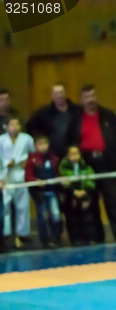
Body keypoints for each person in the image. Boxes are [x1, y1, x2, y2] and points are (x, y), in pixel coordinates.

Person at [66, 84, 116, 244]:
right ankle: (97, 238)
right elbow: (70, 141)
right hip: (87, 165)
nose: (90, 100)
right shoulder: (75, 118)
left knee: (114, 204)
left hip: (108, 164)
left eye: (92, 96)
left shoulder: (108, 115)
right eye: (87, 97)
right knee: (90, 204)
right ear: (82, 99)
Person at [0, 117, 35, 249]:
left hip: (21, 174)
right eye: (12, 124)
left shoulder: (27, 138)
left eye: (17, 123)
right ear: (7, 126)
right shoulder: (1, 140)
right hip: (5, 175)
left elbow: (33, 155)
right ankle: (6, 233)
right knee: (5, 206)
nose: (15, 126)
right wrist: (5, 164)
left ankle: (23, 233)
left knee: (23, 206)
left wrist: (27, 162)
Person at [25, 135, 62, 248]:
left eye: (45, 143)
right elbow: (28, 176)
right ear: (35, 145)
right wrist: (36, 181)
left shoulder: (53, 158)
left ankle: (55, 239)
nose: (43, 146)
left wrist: (61, 180)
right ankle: (44, 241)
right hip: (40, 193)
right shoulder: (32, 159)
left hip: (53, 191)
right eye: (40, 144)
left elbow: (58, 173)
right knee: (42, 217)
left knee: (56, 216)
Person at [26, 83, 80, 159]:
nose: (59, 96)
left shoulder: (77, 110)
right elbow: (30, 126)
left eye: (61, 92)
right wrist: (40, 140)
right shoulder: (43, 112)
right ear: (52, 95)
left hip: (74, 153)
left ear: (66, 94)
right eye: (56, 93)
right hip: (52, 155)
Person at [59, 145, 97, 246]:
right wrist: (73, 191)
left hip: (84, 194)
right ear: (67, 156)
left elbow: (91, 178)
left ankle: (88, 238)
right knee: (72, 219)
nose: (75, 156)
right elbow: (63, 181)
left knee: (86, 218)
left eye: (77, 154)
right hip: (70, 196)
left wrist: (85, 190)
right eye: (72, 154)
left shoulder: (85, 166)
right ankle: (75, 239)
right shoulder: (63, 167)